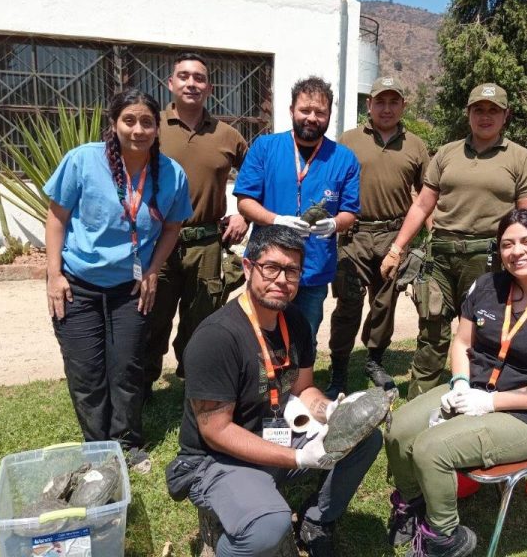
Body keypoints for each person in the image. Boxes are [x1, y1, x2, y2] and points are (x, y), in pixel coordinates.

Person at [384, 209, 527, 556]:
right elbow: (463, 343)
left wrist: (491, 403)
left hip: (524, 418)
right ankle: (412, 502)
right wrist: (461, 383)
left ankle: (445, 538)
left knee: (431, 448)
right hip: (472, 392)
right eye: (508, 244)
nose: (517, 251)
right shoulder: (485, 287)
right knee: (398, 428)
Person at [167, 225, 381, 557]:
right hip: (216, 458)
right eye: (271, 267)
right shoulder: (217, 337)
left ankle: (316, 520)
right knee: (268, 527)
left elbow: (304, 388)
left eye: (291, 270)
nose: (281, 279)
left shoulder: (294, 321)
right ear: (249, 267)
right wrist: (298, 457)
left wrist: (333, 412)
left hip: (274, 432)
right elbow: (216, 431)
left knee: (364, 438)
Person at [44, 89, 192, 470]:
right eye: (129, 120)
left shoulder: (171, 174)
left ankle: (127, 444)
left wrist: (154, 269)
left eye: (146, 121)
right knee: (86, 372)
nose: (138, 129)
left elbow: (172, 228)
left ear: (157, 128)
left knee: (127, 368)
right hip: (78, 286)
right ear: (114, 124)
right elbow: (57, 218)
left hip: (130, 289)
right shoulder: (82, 161)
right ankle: (97, 448)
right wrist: (54, 275)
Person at [381, 83, 527, 400]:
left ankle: (476, 402)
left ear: (505, 115)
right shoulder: (446, 153)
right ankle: (418, 403)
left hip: (489, 261)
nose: (485, 116)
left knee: (484, 334)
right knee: (432, 334)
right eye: (478, 110)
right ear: (468, 114)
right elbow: (423, 204)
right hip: (440, 257)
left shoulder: (521, 158)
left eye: (493, 110)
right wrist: (396, 249)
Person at [145, 52, 249, 389]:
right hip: (158, 242)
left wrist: (244, 213)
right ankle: (142, 384)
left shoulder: (227, 135)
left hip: (206, 243)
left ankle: (195, 384)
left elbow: (257, 177)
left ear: (209, 87)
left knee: (201, 318)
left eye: (199, 78)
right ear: (170, 83)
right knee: (151, 316)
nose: (192, 83)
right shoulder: (150, 127)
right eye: (184, 76)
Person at [235, 76, 360, 355]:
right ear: (292, 110)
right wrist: (275, 219)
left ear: (329, 115)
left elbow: (350, 211)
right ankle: (259, 391)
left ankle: (298, 391)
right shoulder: (265, 148)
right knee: (259, 336)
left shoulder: (344, 158)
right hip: (266, 265)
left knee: (304, 338)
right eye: (305, 110)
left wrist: (335, 223)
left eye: (320, 112)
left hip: (313, 268)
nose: (312, 117)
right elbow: (245, 201)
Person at [325, 76, 430, 398]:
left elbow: (428, 193)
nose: (386, 108)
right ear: (368, 104)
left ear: (403, 106)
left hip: (393, 236)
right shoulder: (349, 140)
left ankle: (373, 359)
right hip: (353, 236)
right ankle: (339, 367)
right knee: (348, 303)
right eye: (380, 102)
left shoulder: (415, 145)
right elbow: (333, 184)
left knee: (384, 304)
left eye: (393, 102)